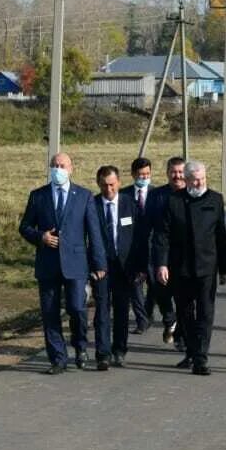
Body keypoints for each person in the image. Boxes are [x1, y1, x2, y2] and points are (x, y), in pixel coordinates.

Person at [18, 152, 108, 375]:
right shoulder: (38, 196)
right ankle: (57, 358)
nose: (58, 169)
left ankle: (80, 347)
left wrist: (99, 264)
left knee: (77, 308)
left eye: (62, 165)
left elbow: (94, 233)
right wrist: (41, 237)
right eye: (54, 165)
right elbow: (25, 227)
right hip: (48, 264)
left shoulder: (84, 196)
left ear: (71, 169)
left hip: (76, 263)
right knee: (50, 313)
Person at [151, 161, 226, 376]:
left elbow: (221, 237)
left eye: (203, 179)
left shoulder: (215, 199)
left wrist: (224, 268)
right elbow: (162, 236)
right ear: (186, 180)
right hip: (181, 267)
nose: (200, 183)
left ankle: (200, 358)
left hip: (207, 267)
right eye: (195, 179)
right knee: (185, 313)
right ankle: (193, 351)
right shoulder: (173, 201)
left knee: (206, 312)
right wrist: (162, 263)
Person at [92, 165, 142, 370]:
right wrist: (93, 265)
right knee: (102, 310)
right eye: (104, 185)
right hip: (101, 267)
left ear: (119, 183)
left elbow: (139, 237)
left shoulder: (130, 204)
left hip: (125, 267)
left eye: (112, 185)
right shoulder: (92, 205)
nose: (109, 189)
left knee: (121, 310)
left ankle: (119, 350)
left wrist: (140, 266)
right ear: (98, 184)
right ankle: (102, 354)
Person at [145, 157, 186, 349]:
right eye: (173, 172)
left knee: (183, 296)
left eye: (180, 172)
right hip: (159, 252)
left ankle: (182, 338)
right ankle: (170, 319)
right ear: (167, 173)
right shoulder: (156, 196)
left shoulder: (191, 195)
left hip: (183, 254)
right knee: (159, 289)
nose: (177, 176)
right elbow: (146, 225)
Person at [121, 157, 154, 334]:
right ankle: (142, 320)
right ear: (133, 174)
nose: (144, 177)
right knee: (135, 285)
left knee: (154, 285)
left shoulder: (157, 194)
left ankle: (149, 312)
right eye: (141, 174)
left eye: (147, 174)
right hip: (131, 249)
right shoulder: (123, 195)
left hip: (152, 248)